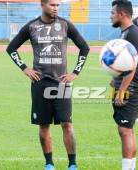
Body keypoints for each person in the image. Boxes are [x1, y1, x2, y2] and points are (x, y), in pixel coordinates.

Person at [6, 0, 90, 170]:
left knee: (67, 123)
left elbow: (84, 47)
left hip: (62, 84)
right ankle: (49, 163)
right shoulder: (32, 26)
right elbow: (11, 48)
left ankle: (72, 164)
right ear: (42, 5)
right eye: (52, 5)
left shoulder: (65, 25)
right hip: (40, 84)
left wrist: (75, 72)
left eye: (57, 5)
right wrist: (25, 68)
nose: (56, 8)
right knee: (44, 125)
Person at [110, 0, 138, 169]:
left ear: (122, 14)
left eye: (112, 13)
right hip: (125, 86)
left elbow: (131, 68)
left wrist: (121, 91)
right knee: (127, 130)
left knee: (125, 130)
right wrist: (115, 78)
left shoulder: (132, 33)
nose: (111, 17)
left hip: (131, 88)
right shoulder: (126, 33)